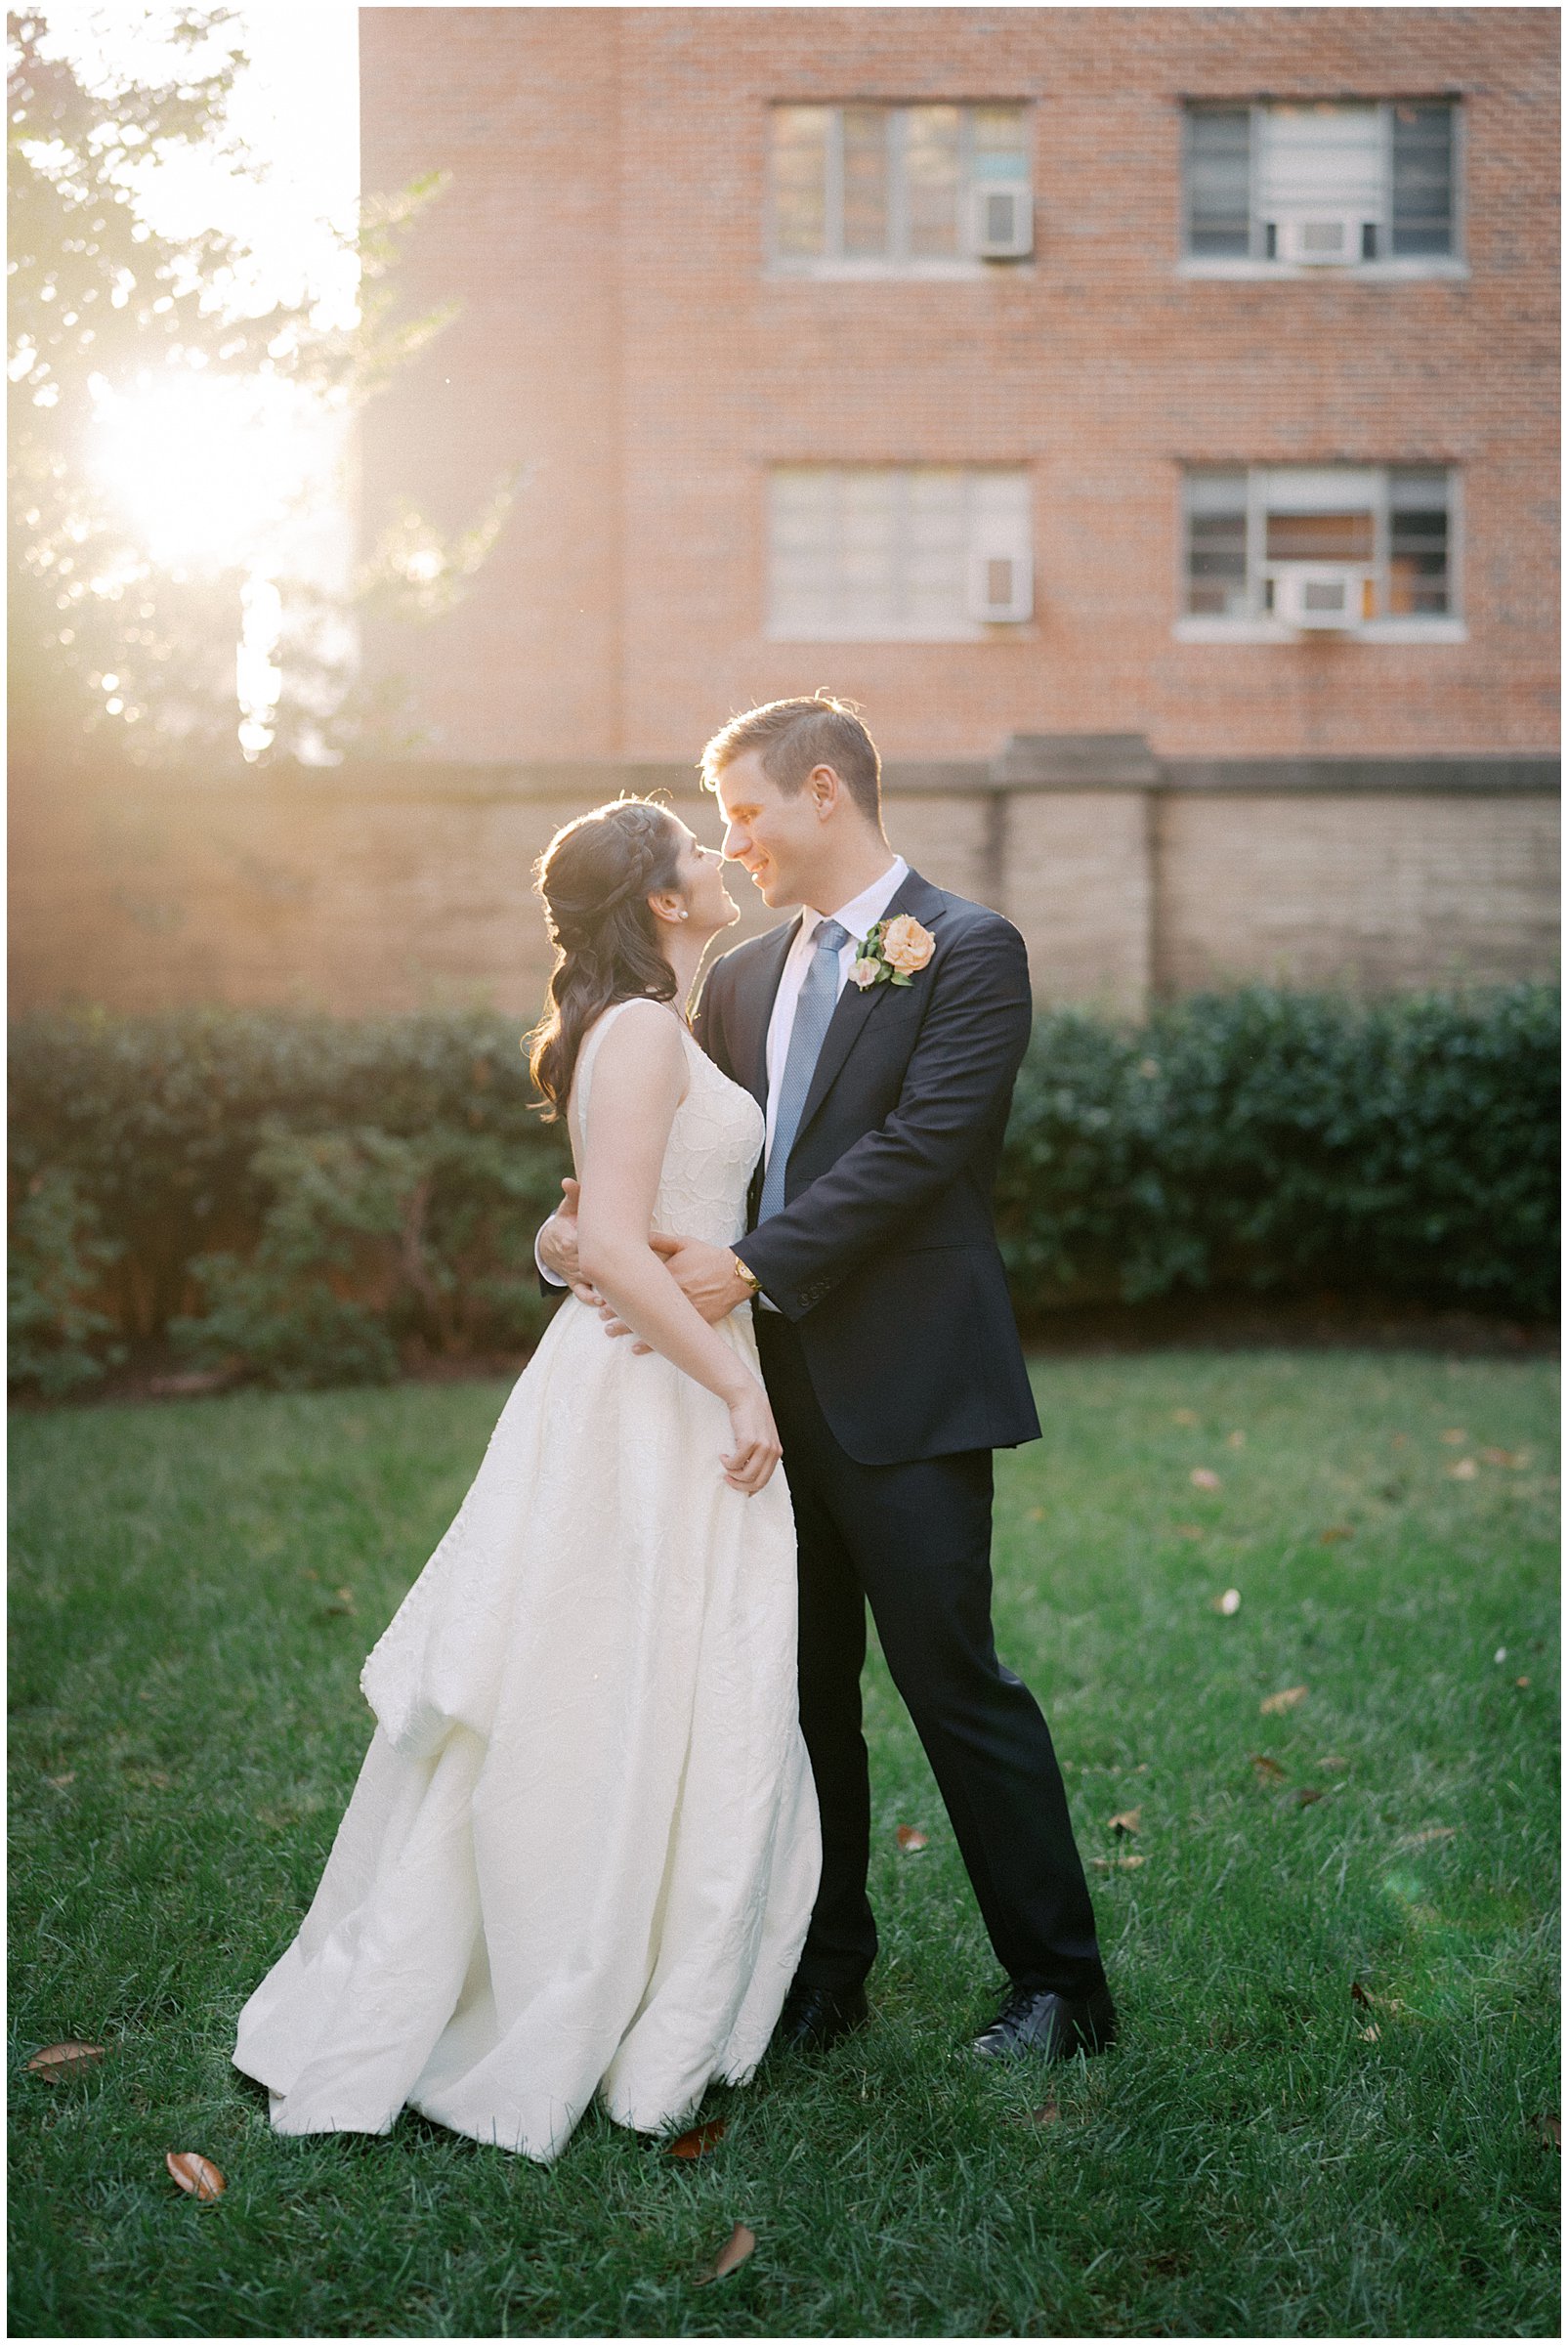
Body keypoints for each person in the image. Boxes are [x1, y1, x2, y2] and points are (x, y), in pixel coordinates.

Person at [232, 797, 821, 2162]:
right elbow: (611, 1243)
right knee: (599, 1677)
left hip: (671, 1371)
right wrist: (733, 1379)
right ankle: (560, 1972)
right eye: (691, 844)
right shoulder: (630, 1032)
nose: (718, 853)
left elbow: (585, 1227)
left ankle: (663, 1967)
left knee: (673, 1667)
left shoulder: (654, 1025)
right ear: (660, 899)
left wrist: (575, 1248)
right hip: (651, 1393)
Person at [539, 696, 1115, 2063]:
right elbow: (676, 1162)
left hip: (906, 1386)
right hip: (746, 1400)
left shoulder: (969, 951)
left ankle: (1058, 1986)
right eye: (717, 823)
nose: (732, 845)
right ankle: (820, 1970)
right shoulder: (735, 981)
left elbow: (924, 1149)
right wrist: (579, 1240)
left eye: (743, 813)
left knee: (951, 1679)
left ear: (819, 792)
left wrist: (744, 1265)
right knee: (792, 1697)